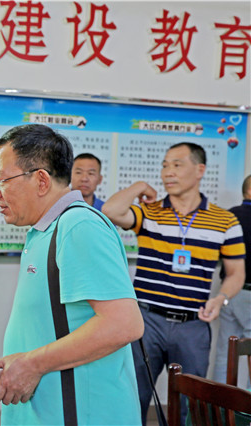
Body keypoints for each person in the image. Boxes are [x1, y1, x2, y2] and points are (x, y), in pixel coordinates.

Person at [0, 124, 144, 425]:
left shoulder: (79, 227)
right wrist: (22, 362)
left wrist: (31, 364)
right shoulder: (45, 229)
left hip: (79, 412)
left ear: (41, 180)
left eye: (1, 180)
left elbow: (124, 324)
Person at [102, 142, 246, 424]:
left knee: (191, 404)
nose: (168, 172)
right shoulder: (150, 212)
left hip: (193, 325)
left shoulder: (225, 221)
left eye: (177, 165)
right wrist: (139, 186)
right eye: (165, 165)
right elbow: (110, 210)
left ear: (200, 170)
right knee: (133, 396)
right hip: (146, 321)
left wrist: (221, 298)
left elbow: (236, 273)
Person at [213, 174, 251, 388]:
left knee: (226, 350)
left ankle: (221, 402)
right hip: (249, 294)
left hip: (228, 291)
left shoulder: (229, 217)